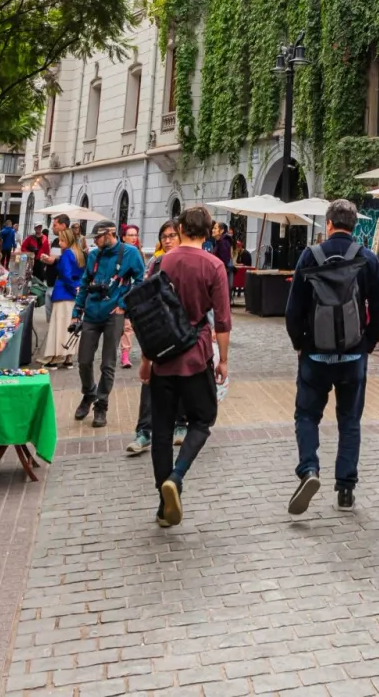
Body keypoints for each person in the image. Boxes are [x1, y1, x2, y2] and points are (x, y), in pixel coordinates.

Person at [284, 199, 379, 513]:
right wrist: (364, 347)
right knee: (350, 421)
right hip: (353, 358)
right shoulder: (367, 259)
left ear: (328, 224)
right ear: (355, 225)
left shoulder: (310, 256)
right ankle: (345, 490)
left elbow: (293, 311)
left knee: (306, 416)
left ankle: (309, 470)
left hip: (315, 357)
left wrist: (300, 344)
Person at [142, 205, 231, 528]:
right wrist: (224, 360)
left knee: (162, 430)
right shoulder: (214, 265)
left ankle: (163, 504)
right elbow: (222, 320)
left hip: (163, 356)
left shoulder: (161, 262)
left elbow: (147, 314)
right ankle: (176, 477)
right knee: (203, 418)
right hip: (195, 355)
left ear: (179, 229)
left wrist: (145, 361)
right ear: (208, 233)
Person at [73, 222, 145, 428]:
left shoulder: (130, 253)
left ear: (110, 234)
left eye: (98, 237)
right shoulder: (95, 255)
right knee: (84, 360)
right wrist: (76, 312)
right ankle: (89, 394)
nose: (94, 241)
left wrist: (123, 305)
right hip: (91, 313)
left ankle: (101, 405)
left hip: (114, 315)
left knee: (108, 363)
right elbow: (85, 283)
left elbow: (140, 281)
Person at [124, 220, 181, 456]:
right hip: (158, 329)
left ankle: (180, 424)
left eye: (171, 236)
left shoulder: (186, 262)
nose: (167, 240)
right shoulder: (155, 262)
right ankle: (144, 431)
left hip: (181, 330)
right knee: (149, 381)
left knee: (181, 379)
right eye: (164, 236)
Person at [41, 231, 84, 366]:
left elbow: (65, 275)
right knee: (70, 326)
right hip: (74, 293)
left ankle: (56, 357)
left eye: (62, 240)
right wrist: (77, 289)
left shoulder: (66, 254)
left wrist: (72, 288)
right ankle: (68, 358)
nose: (59, 243)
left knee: (59, 326)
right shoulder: (79, 254)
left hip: (63, 292)